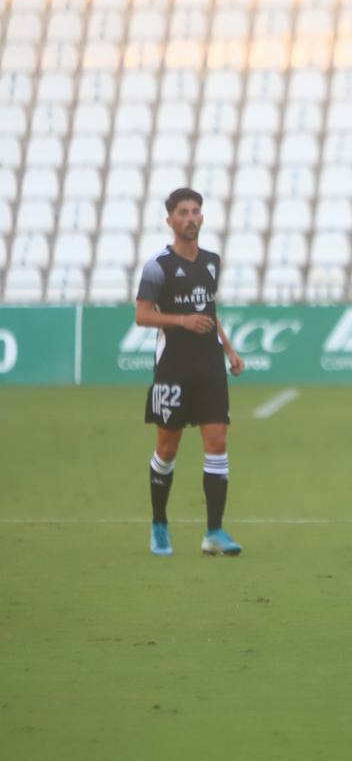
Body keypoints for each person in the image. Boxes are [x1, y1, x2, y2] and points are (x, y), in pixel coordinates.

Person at [134, 187, 245, 557]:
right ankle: (160, 525)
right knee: (167, 450)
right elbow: (142, 314)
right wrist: (181, 319)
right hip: (174, 370)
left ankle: (214, 532)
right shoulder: (158, 266)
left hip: (210, 368)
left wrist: (228, 349)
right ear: (170, 220)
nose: (191, 217)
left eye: (196, 211)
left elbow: (209, 314)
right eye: (183, 212)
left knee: (217, 444)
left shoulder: (212, 261)